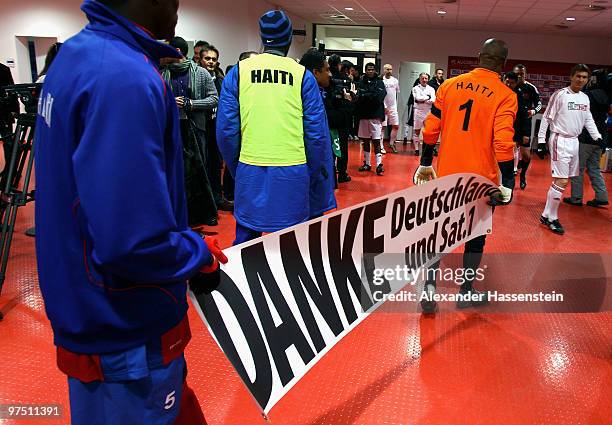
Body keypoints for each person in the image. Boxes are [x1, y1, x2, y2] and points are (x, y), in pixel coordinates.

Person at [33, 0, 228, 423]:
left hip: (88, 309)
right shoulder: (124, 78)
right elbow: (133, 244)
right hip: (125, 332)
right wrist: (195, 253)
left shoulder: (74, 57)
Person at [414, 38, 517, 313]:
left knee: (438, 235)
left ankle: (430, 288)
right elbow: (503, 143)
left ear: (478, 56)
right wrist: (509, 181)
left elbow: (430, 127)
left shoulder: (448, 85)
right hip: (481, 181)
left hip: (447, 176)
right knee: (476, 237)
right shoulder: (506, 95)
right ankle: (466, 291)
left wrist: (426, 162)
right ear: (503, 64)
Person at [217, 10, 334, 245]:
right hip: (294, 171)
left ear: (262, 37)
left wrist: (236, 168)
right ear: (289, 38)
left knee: (246, 244)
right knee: (293, 246)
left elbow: (226, 131)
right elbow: (316, 136)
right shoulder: (302, 76)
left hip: (250, 167)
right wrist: (313, 173)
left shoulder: (238, 72)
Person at [538, 64, 603, 234]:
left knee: (560, 182)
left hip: (575, 142)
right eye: (578, 76)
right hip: (560, 140)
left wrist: (598, 138)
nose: (581, 80)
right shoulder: (560, 95)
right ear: (571, 76)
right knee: (562, 181)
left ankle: (546, 214)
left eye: (584, 77)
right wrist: (540, 141)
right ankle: (552, 218)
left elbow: (588, 119)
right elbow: (546, 118)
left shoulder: (585, 98)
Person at [162, 36, 219, 227]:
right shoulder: (162, 73)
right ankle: (179, 216)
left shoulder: (200, 73)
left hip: (196, 128)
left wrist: (191, 103)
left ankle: (205, 213)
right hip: (171, 129)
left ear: (177, 52)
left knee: (199, 172)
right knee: (175, 173)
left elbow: (214, 99)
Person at [299, 48, 337, 216]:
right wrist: (316, 172)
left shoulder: (320, 93)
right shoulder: (306, 96)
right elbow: (314, 138)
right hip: (310, 171)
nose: (330, 74)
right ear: (315, 72)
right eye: (326, 69)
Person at [564, 70, 609, 208]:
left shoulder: (587, 95)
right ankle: (602, 196)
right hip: (600, 138)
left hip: (585, 138)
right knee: (594, 168)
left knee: (578, 169)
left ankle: (576, 198)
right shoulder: (607, 95)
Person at [201, 45, 234, 211]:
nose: (211, 62)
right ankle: (204, 203)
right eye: (207, 58)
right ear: (200, 59)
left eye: (214, 59)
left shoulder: (222, 81)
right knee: (203, 166)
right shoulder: (197, 79)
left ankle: (217, 198)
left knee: (216, 166)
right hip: (201, 129)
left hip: (217, 129)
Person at [513, 64, 543, 189]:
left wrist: (533, 112)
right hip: (510, 122)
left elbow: (539, 104)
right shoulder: (508, 86)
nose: (519, 76)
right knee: (510, 151)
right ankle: (508, 179)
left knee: (525, 155)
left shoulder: (531, 88)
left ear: (525, 74)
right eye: (517, 74)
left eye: (522, 74)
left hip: (525, 124)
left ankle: (523, 175)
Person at [327, 55, 355, 183]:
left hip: (328, 117)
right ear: (339, 65)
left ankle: (331, 174)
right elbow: (351, 99)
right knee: (342, 146)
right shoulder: (346, 80)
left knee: (330, 145)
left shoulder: (325, 79)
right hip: (342, 117)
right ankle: (342, 173)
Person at [356, 63, 387, 176]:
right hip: (364, 115)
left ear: (375, 71)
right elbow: (359, 97)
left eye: (372, 69)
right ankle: (367, 163)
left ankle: (379, 165)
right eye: (368, 69)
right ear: (365, 70)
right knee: (365, 140)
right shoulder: (361, 82)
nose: (370, 71)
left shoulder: (379, 82)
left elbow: (379, 97)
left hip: (375, 115)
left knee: (376, 140)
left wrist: (366, 95)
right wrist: (370, 95)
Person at [411, 72, 436, 156]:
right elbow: (417, 98)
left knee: (428, 131)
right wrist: (427, 97)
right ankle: (416, 149)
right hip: (418, 111)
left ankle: (426, 149)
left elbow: (433, 100)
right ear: (419, 79)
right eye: (422, 78)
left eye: (426, 78)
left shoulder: (431, 89)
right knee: (416, 131)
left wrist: (423, 100)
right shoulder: (415, 88)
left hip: (428, 112)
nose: (424, 80)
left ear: (428, 79)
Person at [382, 63, 401, 154]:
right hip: (383, 107)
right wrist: (384, 106)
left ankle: (391, 143)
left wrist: (394, 105)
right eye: (387, 69)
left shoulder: (395, 81)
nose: (389, 71)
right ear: (384, 70)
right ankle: (381, 146)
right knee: (383, 127)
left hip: (393, 107)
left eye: (390, 69)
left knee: (396, 126)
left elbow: (396, 93)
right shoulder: (381, 80)